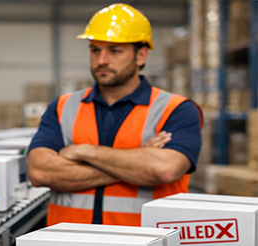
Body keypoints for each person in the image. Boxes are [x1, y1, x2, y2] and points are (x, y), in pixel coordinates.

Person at [28, 3, 202, 227]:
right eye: (95, 50)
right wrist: (139, 161)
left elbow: (165, 170)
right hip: (70, 243)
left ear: (141, 55)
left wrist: (84, 151)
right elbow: (40, 172)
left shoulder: (176, 109)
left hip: (144, 242)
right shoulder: (63, 107)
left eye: (115, 51)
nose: (102, 60)